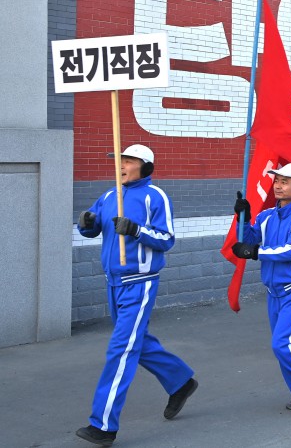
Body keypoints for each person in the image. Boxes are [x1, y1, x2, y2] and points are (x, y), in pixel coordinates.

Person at [75, 145, 197, 446]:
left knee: (121, 350)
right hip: (113, 282)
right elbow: (91, 230)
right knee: (136, 342)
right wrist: (86, 224)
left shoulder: (155, 197)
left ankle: (103, 425)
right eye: (119, 161)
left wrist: (136, 230)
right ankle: (181, 381)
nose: (121, 166)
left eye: (128, 161)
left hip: (140, 283)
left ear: (146, 168)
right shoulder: (108, 196)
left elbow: (166, 238)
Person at [231, 163, 291, 412]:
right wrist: (244, 216)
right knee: (281, 345)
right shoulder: (266, 216)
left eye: (285, 181)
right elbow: (250, 239)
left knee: (283, 343)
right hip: (274, 291)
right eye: (277, 181)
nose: (279, 185)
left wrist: (255, 252)